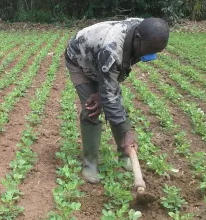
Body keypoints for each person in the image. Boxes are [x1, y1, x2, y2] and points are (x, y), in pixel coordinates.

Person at [64, 17, 169, 183]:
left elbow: (119, 71)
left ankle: (123, 154)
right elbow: (112, 70)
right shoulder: (111, 49)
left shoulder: (144, 29)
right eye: (149, 51)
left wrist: (104, 92)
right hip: (80, 59)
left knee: (113, 102)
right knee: (91, 109)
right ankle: (90, 163)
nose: (150, 56)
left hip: (101, 60)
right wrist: (102, 94)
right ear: (138, 39)